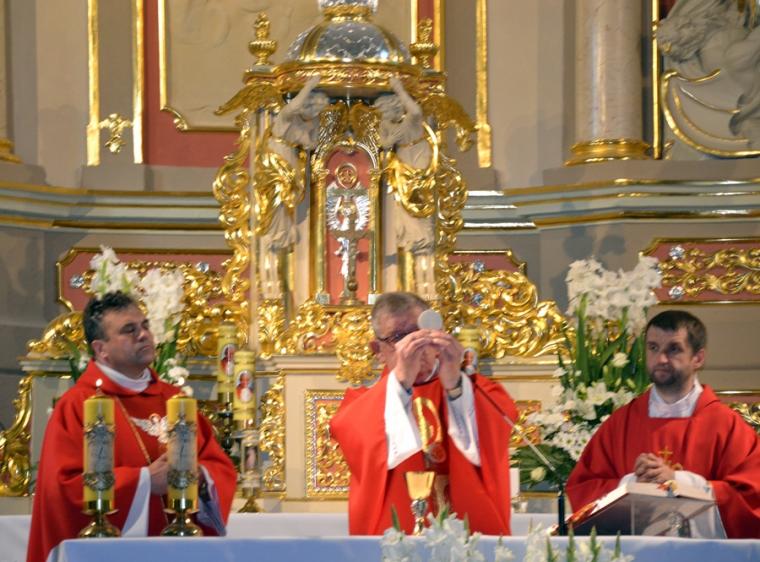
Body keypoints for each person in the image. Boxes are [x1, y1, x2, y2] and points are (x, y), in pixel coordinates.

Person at [28, 291, 237, 562]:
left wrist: (198, 476)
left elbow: (219, 466)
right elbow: (62, 492)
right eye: (129, 330)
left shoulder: (175, 400)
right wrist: (145, 481)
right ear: (101, 349)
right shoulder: (77, 406)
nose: (143, 335)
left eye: (145, 325)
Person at [330, 292, 518, 535]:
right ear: (378, 350)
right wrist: (401, 383)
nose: (415, 347)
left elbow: (499, 425)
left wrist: (455, 385)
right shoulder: (361, 403)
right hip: (397, 539)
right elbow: (352, 432)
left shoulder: (474, 390)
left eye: (422, 335)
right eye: (400, 338)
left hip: (466, 537)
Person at [566, 310, 760, 538]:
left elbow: (750, 499)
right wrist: (632, 484)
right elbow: (583, 489)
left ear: (698, 358)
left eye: (674, 349)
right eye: (653, 348)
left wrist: (677, 482)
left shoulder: (726, 425)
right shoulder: (621, 423)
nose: (661, 359)